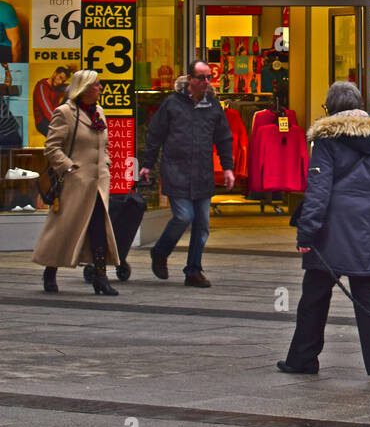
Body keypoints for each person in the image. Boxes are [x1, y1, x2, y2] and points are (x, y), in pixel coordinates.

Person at [279, 80, 370, 381]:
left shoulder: (326, 140)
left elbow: (318, 188)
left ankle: (303, 358)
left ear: (331, 108)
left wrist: (307, 231)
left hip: (332, 227)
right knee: (368, 287)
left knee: (315, 292)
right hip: (369, 224)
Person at [140, 60, 234, 288]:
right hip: (176, 171)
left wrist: (228, 167)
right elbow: (155, 135)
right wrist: (147, 165)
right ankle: (160, 252)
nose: (205, 82)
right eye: (201, 78)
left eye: (208, 77)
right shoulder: (172, 104)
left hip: (202, 173)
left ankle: (193, 270)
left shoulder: (212, 106)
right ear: (189, 79)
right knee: (184, 216)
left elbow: (224, 138)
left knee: (202, 226)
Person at [32, 69, 121, 296]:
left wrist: (107, 163)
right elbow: (52, 147)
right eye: (97, 85)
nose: (101, 88)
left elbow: (105, 145)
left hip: (98, 183)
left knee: (99, 229)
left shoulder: (99, 111)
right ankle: (50, 270)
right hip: (75, 183)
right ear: (84, 88)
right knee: (64, 229)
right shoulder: (65, 113)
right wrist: (69, 167)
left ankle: (101, 277)